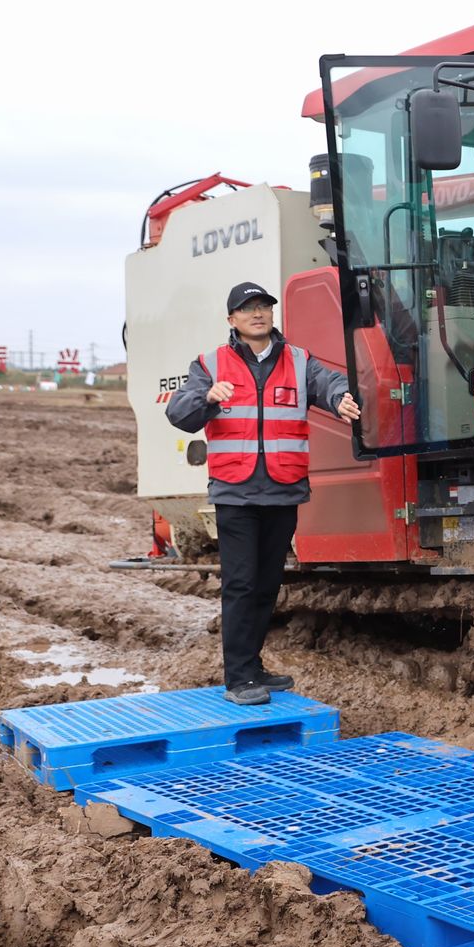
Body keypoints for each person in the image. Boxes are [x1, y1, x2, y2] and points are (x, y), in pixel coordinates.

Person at [166, 282, 360, 705]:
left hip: (282, 491)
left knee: (267, 584)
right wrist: (207, 396)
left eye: (264, 306)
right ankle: (238, 678)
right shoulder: (210, 364)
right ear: (232, 319)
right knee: (240, 584)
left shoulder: (298, 360)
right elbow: (178, 413)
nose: (258, 313)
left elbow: (329, 383)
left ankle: (253, 667)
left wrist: (339, 398)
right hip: (235, 494)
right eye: (248, 308)